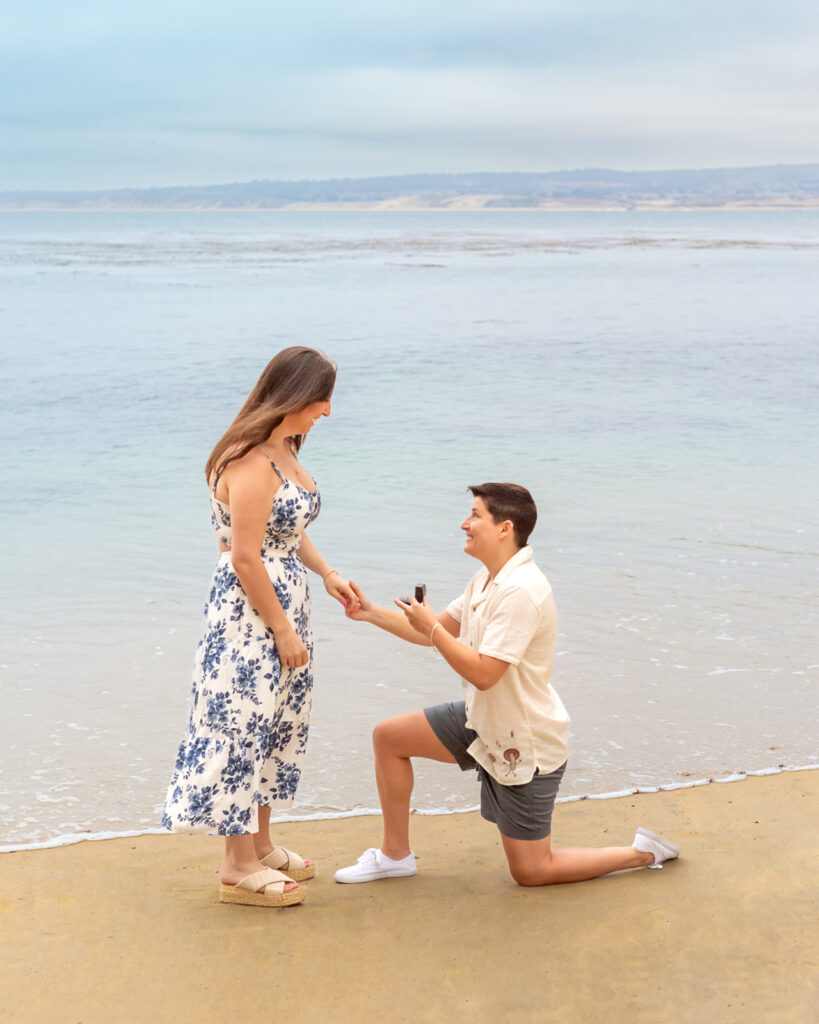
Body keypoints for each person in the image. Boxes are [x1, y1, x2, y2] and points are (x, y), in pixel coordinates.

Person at [335, 482, 680, 886]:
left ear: (505, 528)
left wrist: (432, 631)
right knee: (389, 738)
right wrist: (371, 612)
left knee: (532, 872)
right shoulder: (486, 579)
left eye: (475, 515)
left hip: (526, 742)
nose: (465, 523)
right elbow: (434, 631)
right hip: (483, 720)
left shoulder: (522, 591)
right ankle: (395, 857)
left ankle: (643, 852)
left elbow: (483, 672)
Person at [162, 346, 356, 908]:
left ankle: (261, 843)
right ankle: (236, 864)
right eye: (323, 399)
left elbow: (288, 531)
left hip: (284, 600)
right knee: (241, 723)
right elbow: (245, 556)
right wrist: (281, 631)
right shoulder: (249, 460)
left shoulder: (285, 449)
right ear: (297, 395)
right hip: (249, 613)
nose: (326, 410)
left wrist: (328, 573)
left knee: (277, 722)